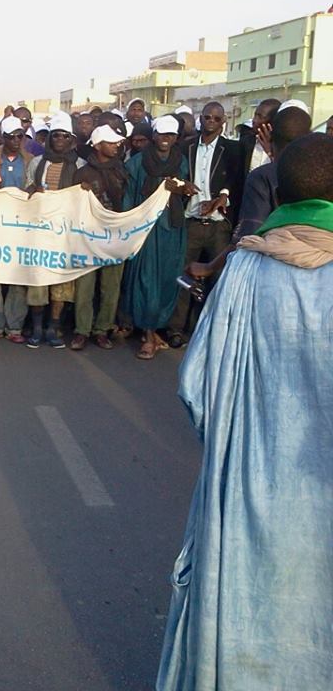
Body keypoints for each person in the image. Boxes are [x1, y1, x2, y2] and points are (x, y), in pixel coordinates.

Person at [156, 132, 333, 691]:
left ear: (276, 189)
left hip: (249, 487)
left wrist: (240, 445)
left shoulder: (245, 274)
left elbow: (198, 388)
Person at [184, 106, 314, 282]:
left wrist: (209, 267)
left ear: (271, 131)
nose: (256, 120)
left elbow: (249, 232)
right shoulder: (320, 169)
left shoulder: (264, 176)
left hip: (273, 267)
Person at [166, 101, 243, 348]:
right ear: (200, 119)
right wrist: (182, 185)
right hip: (191, 221)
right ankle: (176, 329)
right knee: (183, 276)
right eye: (206, 117)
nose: (210, 121)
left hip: (219, 225)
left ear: (223, 123)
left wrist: (223, 195)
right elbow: (173, 175)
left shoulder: (233, 149)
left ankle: (209, 330)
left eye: (215, 118)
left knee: (217, 279)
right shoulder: (186, 146)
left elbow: (237, 179)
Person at [118, 116, 193, 359]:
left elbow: (185, 192)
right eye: (162, 135)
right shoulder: (138, 163)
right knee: (146, 280)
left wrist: (183, 189)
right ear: (154, 135)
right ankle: (148, 335)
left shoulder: (181, 161)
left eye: (171, 136)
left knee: (168, 279)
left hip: (172, 228)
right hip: (147, 230)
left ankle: (155, 329)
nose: (166, 140)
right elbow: (129, 198)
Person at [24, 113, 86, 348]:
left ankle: (53, 327)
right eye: (55, 135)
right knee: (38, 280)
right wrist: (32, 189)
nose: (59, 140)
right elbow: (25, 189)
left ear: (71, 140)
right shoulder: (37, 163)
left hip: (65, 233)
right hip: (39, 231)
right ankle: (38, 327)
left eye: (64, 136)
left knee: (62, 283)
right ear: (49, 138)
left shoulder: (79, 165)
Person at [70, 125, 129, 351]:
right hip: (88, 236)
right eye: (111, 142)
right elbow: (72, 206)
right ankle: (82, 330)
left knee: (110, 286)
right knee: (85, 285)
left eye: (116, 142)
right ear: (97, 145)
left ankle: (102, 329)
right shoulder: (82, 173)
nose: (116, 145)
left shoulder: (121, 171)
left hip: (115, 236)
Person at [0, 116, 33, 343]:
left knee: (17, 276)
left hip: (21, 226)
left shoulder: (31, 161)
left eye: (19, 136)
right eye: (10, 136)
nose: (15, 140)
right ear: (3, 137)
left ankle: (15, 326)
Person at [240, 98, 279, 174]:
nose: (254, 120)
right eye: (255, 115)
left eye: (260, 117)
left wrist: (270, 152)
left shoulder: (281, 146)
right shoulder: (245, 142)